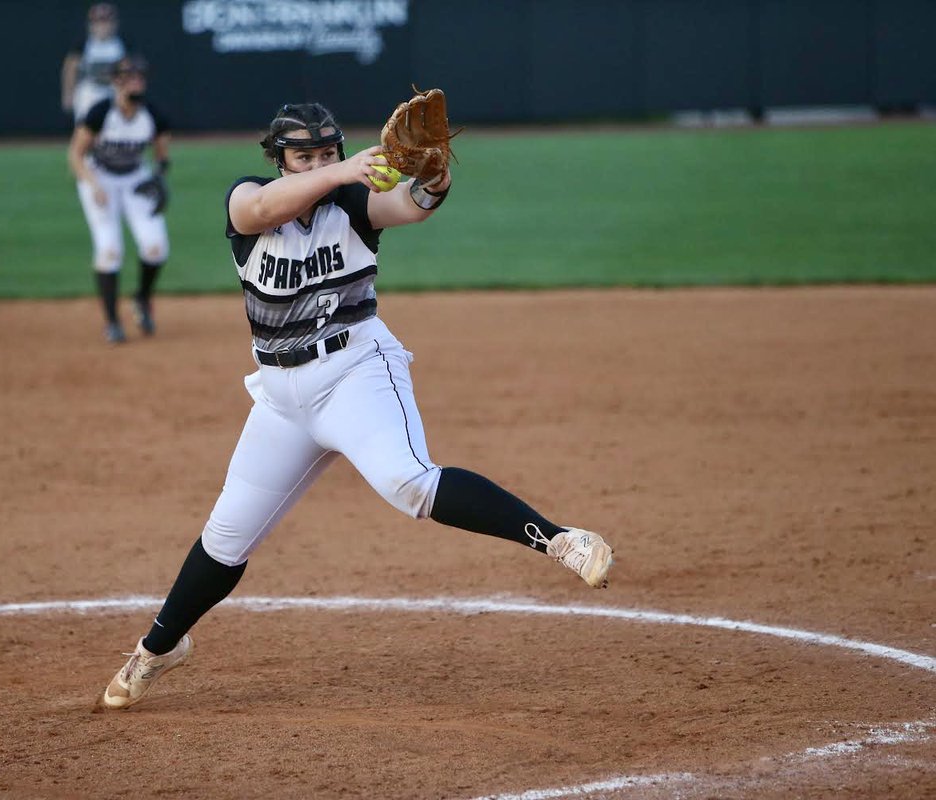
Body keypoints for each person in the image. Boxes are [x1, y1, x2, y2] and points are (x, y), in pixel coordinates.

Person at [97, 102, 614, 709]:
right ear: (278, 160)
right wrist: (341, 172)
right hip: (282, 397)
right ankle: (158, 648)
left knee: (408, 482)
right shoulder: (249, 201)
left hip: (356, 372)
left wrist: (435, 182)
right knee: (225, 536)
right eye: (302, 156)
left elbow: (408, 207)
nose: (317, 164)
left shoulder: (353, 206)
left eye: (326, 154)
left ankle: (559, 539)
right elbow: (262, 208)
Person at [68, 56, 171, 343]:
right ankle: (112, 321)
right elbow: (76, 154)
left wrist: (158, 178)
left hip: (135, 178)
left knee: (155, 247)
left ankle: (142, 299)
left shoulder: (153, 115)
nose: (136, 81)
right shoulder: (100, 113)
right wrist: (92, 184)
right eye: (129, 76)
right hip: (99, 178)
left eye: (140, 76)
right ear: (116, 81)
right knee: (109, 249)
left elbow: (162, 158)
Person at [61, 3, 131, 123]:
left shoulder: (121, 44)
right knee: (85, 127)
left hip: (112, 90)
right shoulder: (84, 44)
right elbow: (70, 69)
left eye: (106, 21)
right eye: (99, 22)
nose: (103, 26)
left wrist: (126, 93)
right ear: (91, 24)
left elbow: (128, 69)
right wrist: (68, 94)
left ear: (114, 23)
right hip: (89, 91)